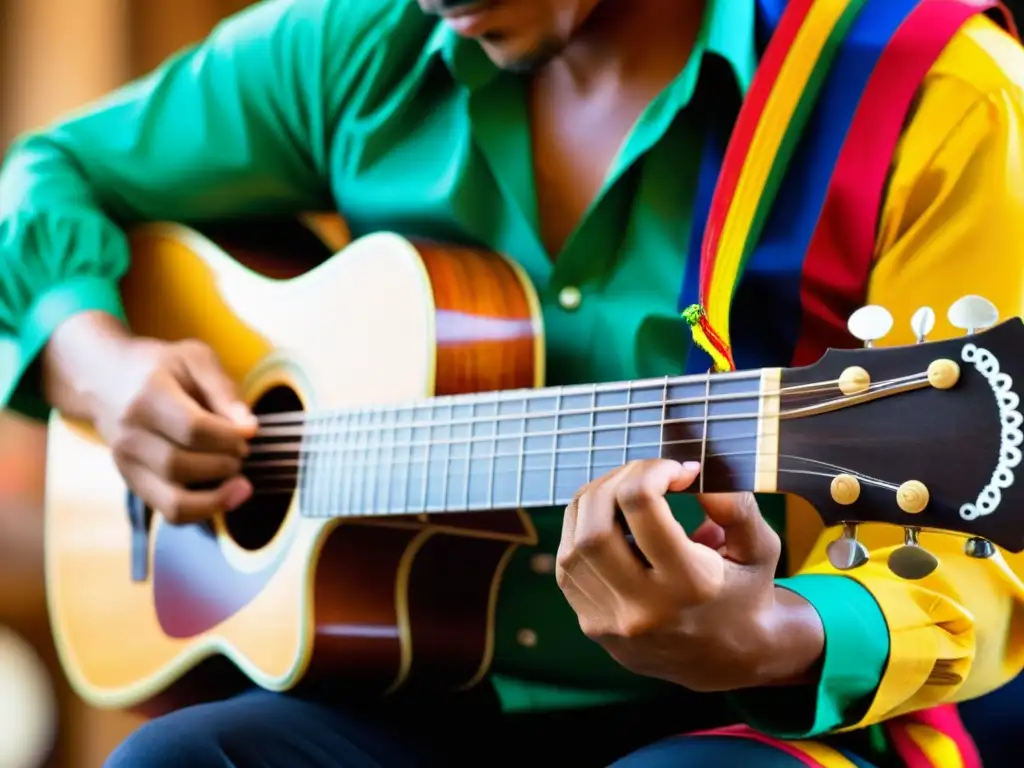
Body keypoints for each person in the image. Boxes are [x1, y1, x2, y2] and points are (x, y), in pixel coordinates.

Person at [2, 0, 1024, 765]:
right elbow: (47, 174)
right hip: (427, 683)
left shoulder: (930, 92)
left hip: (757, 718)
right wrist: (97, 366)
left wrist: (770, 632)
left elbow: (979, 580)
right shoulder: (361, 43)